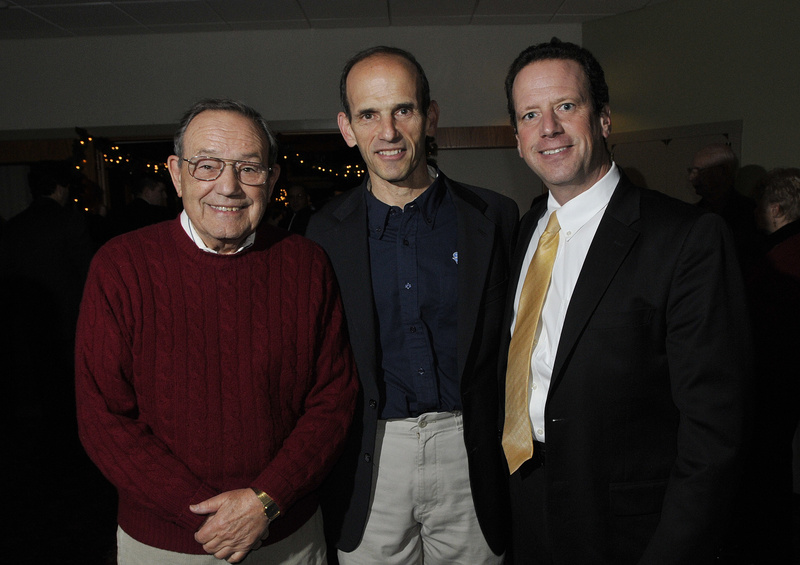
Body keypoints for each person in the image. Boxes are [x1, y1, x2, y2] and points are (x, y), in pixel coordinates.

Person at [76, 98, 358, 565]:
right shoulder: (120, 266)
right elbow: (103, 418)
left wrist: (264, 501)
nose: (228, 187)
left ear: (271, 177)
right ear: (175, 173)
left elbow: (333, 399)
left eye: (249, 169)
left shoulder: (306, 264)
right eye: (206, 166)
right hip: (164, 543)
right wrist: (211, 519)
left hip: (286, 533)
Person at [500, 38, 750, 564]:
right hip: (530, 509)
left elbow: (714, 429)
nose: (548, 127)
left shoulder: (686, 239)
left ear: (605, 119)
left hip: (628, 530)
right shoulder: (526, 233)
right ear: (518, 137)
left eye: (566, 106)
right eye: (530, 114)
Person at [306, 46, 518, 564]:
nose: (388, 131)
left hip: (471, 450)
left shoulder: (494, 217)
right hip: (371, 456)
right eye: (368, 114)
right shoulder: (320, 235)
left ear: (431, 116)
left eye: (403, 109)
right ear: (347, 127)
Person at [733, 168, 800, 563]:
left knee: (766, 469)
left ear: (776, 208)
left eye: (760, 205)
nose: (755, 212)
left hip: (773, 380)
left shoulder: (780, 257)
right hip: (785, 379)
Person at [689, 143, 760, 269]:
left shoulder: (751, 213)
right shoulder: (692, 213)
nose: (691, 178)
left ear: (723, 172)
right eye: (692, 171)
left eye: (699, 171)